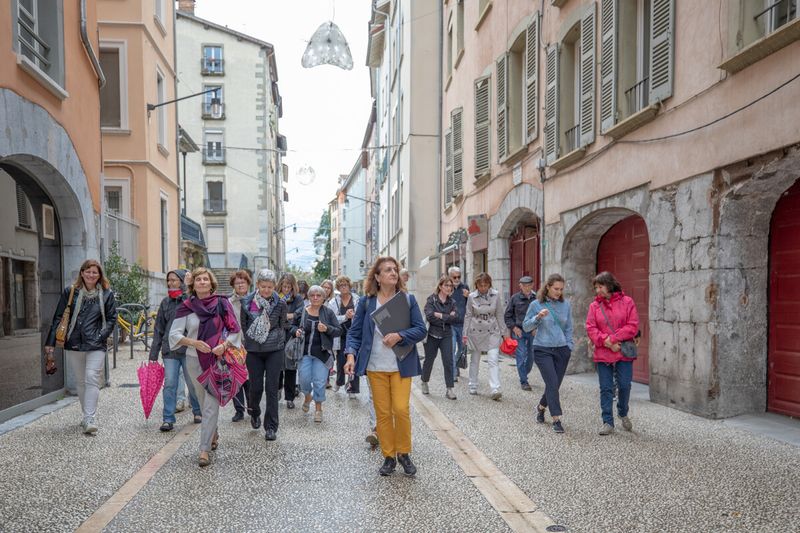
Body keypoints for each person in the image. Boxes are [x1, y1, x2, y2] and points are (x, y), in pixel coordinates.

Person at [344, 256, 427, 477]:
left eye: (395, 269)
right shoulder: (367, 302)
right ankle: (389, 456)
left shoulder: (407, 300)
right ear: (378, 277)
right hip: (375, 366)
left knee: (400, 409)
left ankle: (404, 453)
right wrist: (350, 356)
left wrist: (400, 335)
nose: (393, 272)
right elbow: (354, 333)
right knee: (382, 413)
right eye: (388, 270)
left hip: (401, 365)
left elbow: (421, 330)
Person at [170, 267, 242, 467]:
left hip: (216, 360)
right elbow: (174, 335)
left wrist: (224, 345)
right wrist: (193, 343)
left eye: (205, 279)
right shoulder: (187, 306)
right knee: (202, 403)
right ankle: (213, 432)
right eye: (198, 279)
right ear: (193, 284)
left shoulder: (222, 303)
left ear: (211, 283)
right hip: (193, 359)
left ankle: (204, 450)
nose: (202, 282)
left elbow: (235, 330)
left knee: (210, 405)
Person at [45, 259, 117, 434]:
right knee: (80, 381)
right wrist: (50, 342)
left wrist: (101, 336)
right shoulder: (71, 292)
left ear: (99, 275)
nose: (91, 275)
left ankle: (89, 418)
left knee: (91, 378)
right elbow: (58, 317)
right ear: (82, 273)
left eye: (95, 272)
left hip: (96, 344)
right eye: (88, 271)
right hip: (73, 342)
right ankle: (86, 415)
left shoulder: (107, 294)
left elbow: (112, 318)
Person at [585, 271, 640, 436]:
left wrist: (614, 339)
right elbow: (590, 327)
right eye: (596, 287)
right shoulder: (594, 306)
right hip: (603, 351)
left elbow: (633, 325)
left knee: (624, 385)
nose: (598, 290)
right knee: (606, 388)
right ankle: (607, 422)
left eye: (600, 286)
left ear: (609, 285)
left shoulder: (627, 301)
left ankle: (622, 412)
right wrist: (606, 341)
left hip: (622, 349)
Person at [149, 269, 202, 431]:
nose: (171, 283)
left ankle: (198, 410)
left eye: (174, 280)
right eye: (169, 280)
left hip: (188, 349)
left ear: (181, 281)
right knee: (170, 383)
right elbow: (158, 329)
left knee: (192, 383)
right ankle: (168, 418)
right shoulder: (165, 302)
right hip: (169, 350)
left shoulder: (190, 300)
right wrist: (153, 355)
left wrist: (187, 289)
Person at [240, 269, 288, 441]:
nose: (266, 290)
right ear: (257, 285)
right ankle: (254, 411)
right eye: (263, 286)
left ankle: (271, 427)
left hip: (274, 349)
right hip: (254, 350)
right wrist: (253, 339)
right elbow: (244, 325)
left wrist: (277, 340)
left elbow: (283, 324)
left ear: (274, 286)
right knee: (255, 387)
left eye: (269, 286)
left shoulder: (280, 303)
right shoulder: (247, 301)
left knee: (272, 389)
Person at [522, 274, 573, 433]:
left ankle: (541, 407)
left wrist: (569, 345)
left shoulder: (566, 305)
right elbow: (525, 327)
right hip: (542, 349)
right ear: (548, 287)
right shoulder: (536, 304)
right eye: (556, 289)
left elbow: (569, 328)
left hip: (562, 349)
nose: (558, 292)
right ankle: (556, 419)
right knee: (552, 383)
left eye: (561, 289)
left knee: (554, 385)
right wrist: (537, 317)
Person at [294, 285, 342, 423]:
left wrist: (327, 328)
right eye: (312, 295)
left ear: (323, 298)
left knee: (320, 382)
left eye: (318, 295)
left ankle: (318, 409)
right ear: (309, 297)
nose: (315, 298)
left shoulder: (328, 313)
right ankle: (308, 396)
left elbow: (339, 330)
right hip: (304, 353)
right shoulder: (302, 311)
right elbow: (291, 326)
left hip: (322, 354)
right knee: (303, 380)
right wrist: (295, 331)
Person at [463, 272, 508, 400]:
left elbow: (499, 314)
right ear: (476, 285)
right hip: (475, 331)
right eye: (480, 285)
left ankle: (495, 388)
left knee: (493, 359)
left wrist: (504, 333)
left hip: (492, 331)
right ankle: (473, 384)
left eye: (485, 285)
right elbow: (468, 315)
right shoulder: (471, 297)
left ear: (489, 284)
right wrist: (464, 333)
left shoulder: (496, 295)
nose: (483, 288)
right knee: (475, 360)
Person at [421, 275, 458, 399]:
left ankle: (449, 389)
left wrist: (440, 316)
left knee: (448, 361)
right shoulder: (432, 299)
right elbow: (430, 315)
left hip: (446, 335)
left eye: (450, 286)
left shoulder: (452, 302)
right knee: (429, 360)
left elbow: (454, 318)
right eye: (446, 285)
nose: (449, 288)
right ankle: (424, 381)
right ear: (440, 286)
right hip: (431, 334)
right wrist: (446, 316)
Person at [327, 275, 360, 397]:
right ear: (338, 288)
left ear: (349, 286)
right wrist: (345, 317)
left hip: (354, 334)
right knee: (341, 361)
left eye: (345, 285)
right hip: (340, 335)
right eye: (341, 285)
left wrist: (354, 316)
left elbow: (361, 316)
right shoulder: (333, 302)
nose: (343, 287)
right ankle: (339, 382)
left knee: (354, 361)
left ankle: (352, 388)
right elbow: (332, 319)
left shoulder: (357, 299)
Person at [505, 275, 537, 391]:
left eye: (529, 285)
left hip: (532, 331)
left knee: (531, 356)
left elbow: (541, 315)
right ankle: (524, 381)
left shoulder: (537, 298)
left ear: (532, 285)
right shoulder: (515, 298)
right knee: (521, 354)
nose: (527, 288)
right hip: (519, 331)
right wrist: (514, 328)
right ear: (520, 286)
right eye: (524, 286)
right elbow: (507, 316)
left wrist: (536, 328)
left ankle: (523, 372)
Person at [228, 270, 253, 422]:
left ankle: (251, 407)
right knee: (235, 378)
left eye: (243, 282)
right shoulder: (229, 303)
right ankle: (239, 410)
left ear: (248, 284)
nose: (241, 284)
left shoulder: (255, 300)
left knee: (250, 378)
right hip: (234, 344)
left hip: (251, 344)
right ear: (233, 286)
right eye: (237, 283)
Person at [278, 273, 304, 409]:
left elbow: (300, 313)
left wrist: (291, 315)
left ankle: (290, 397)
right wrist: (285, 317)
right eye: (284, 286)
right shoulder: (276, 297)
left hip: (291, 337)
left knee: (290, 368)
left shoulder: (297, 298)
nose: (286, 289)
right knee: (277, 367)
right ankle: (277, 390)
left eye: (289, 286)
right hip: (277, 337)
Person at [448, 266, 470, 382]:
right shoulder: (446, 287)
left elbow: (470, 305)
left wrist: (468, 297)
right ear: (450, 277)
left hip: (463, 324)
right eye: (454, 277)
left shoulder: (465, 287)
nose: (457, 279)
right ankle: (453, 373)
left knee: (462, 349)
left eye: (459, 277)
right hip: (450, 324)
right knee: (451, 349)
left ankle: (456, 365)